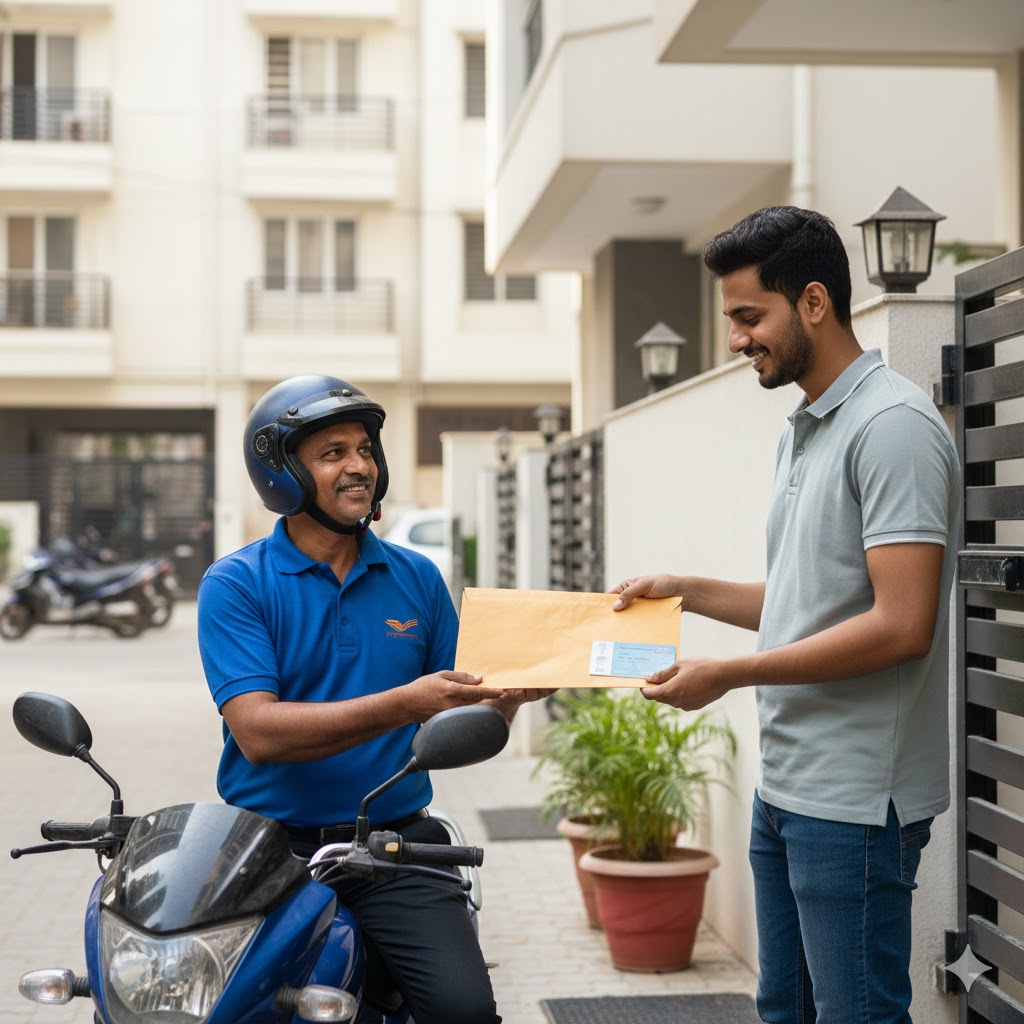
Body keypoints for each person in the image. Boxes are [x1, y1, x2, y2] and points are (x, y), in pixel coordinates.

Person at [609, 207, 960, 1024]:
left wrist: (730, 674)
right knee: (783, 1009)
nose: (735, 340)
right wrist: (685, 588)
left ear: (812, 302)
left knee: (857, 1015)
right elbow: (812, 606)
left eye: (746, 317)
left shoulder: (892, 427)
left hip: (858, 802)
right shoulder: (806, 429)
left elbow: (902, 624)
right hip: (791, 787)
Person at [198, 374, 550, 1024]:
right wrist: (406, 703)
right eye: (334, 453)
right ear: (282, 472)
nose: (359, 466)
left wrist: (510, 700)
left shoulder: (417, 577)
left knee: (464, 1010)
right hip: (271, 851)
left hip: (397, 848)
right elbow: (259, 732)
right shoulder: (236, 585)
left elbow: (452, 718)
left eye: (365, 449)